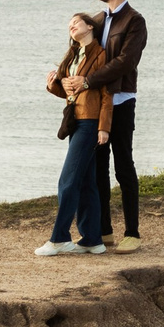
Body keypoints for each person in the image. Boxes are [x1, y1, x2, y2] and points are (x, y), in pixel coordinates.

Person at [61, 0, 143, 252]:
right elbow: (81, 51)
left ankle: (132, 233)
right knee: (97, 168)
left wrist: (87, 81)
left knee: (123, 165)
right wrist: (65, 78)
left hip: (121, 100)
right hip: (94, 104)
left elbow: (125, 63)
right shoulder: (98, 19)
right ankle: (104, 231)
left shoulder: (134, 21)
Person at [36, 13, 111, 256]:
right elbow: (70, 93)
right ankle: (92, 240)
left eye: (76, 22)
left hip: (90, 123)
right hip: (74, 122)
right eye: (69, 24)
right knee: (87, 183)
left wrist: (104, 127)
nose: (71, 26)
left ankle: (59, 239)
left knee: (67, 181)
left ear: (90, 26)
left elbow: (107, 94)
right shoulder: (72, 55)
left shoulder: (100, 55)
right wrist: (53, 85)